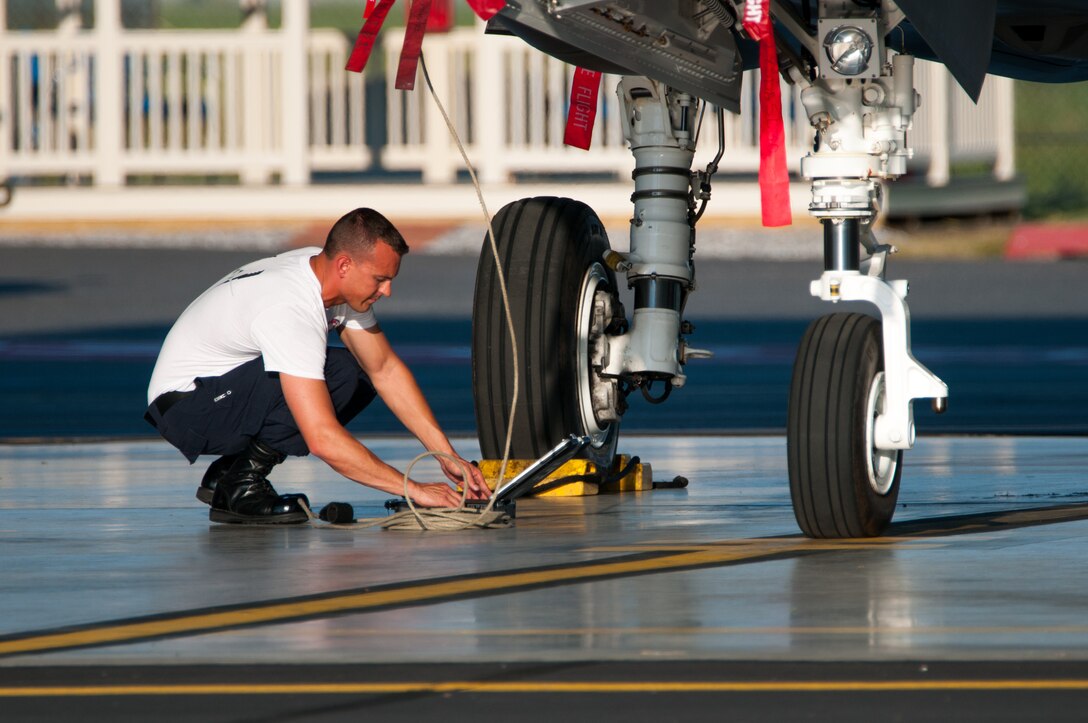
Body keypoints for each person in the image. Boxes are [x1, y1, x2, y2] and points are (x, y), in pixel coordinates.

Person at [145, 208, 488, 524]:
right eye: (380, 279)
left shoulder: (323, 273)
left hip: (218, 389)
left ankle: (231, 474)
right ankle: (242, 484)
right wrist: (415, 490)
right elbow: (322, 437)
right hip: (189, 409)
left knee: (349, 372)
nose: (387, 291)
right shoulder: (290, 308)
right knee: (320, 374)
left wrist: (446, 455)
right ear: (344, 266)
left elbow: (384, 369)